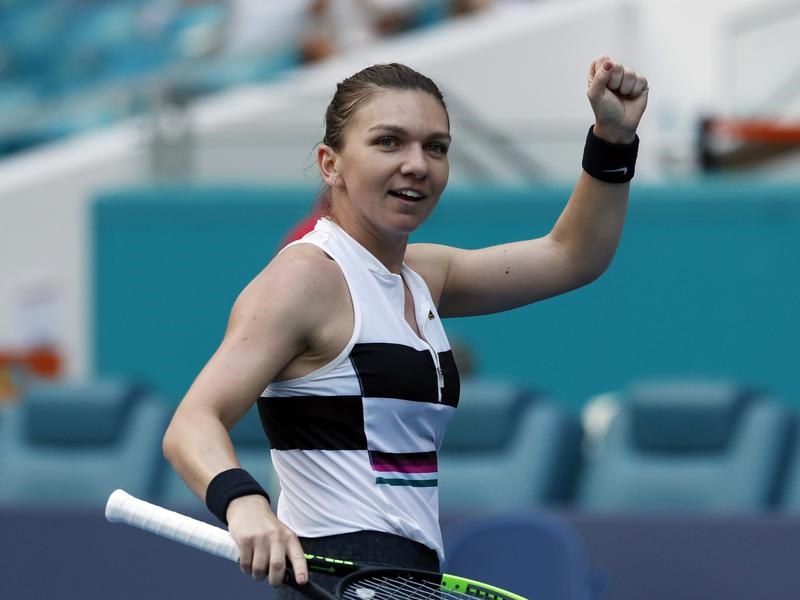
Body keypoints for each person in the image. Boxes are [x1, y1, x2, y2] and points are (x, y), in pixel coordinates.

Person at [162, 56, 649, 594]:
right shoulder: (305, 276)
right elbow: (192, 423)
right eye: (389, 142)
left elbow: (573, 255)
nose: (417, 164)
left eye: (435, 147)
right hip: (336, 579)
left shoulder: (424, 276)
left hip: (407, 576)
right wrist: (245, 504)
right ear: (330, 164)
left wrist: (613, 139)